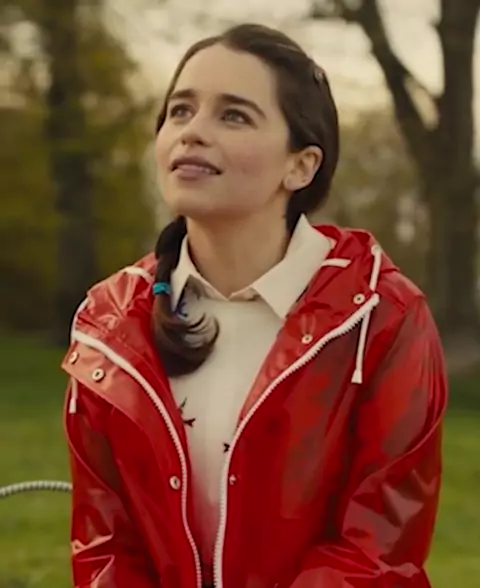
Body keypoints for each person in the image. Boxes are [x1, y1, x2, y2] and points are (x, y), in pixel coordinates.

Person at [62, 22, 447, 588]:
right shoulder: (108, 323)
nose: (193, 132)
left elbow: (377, 549)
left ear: (301, 165)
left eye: (234, 115)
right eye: (180, 110)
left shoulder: (383, 317)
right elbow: (107, 549)